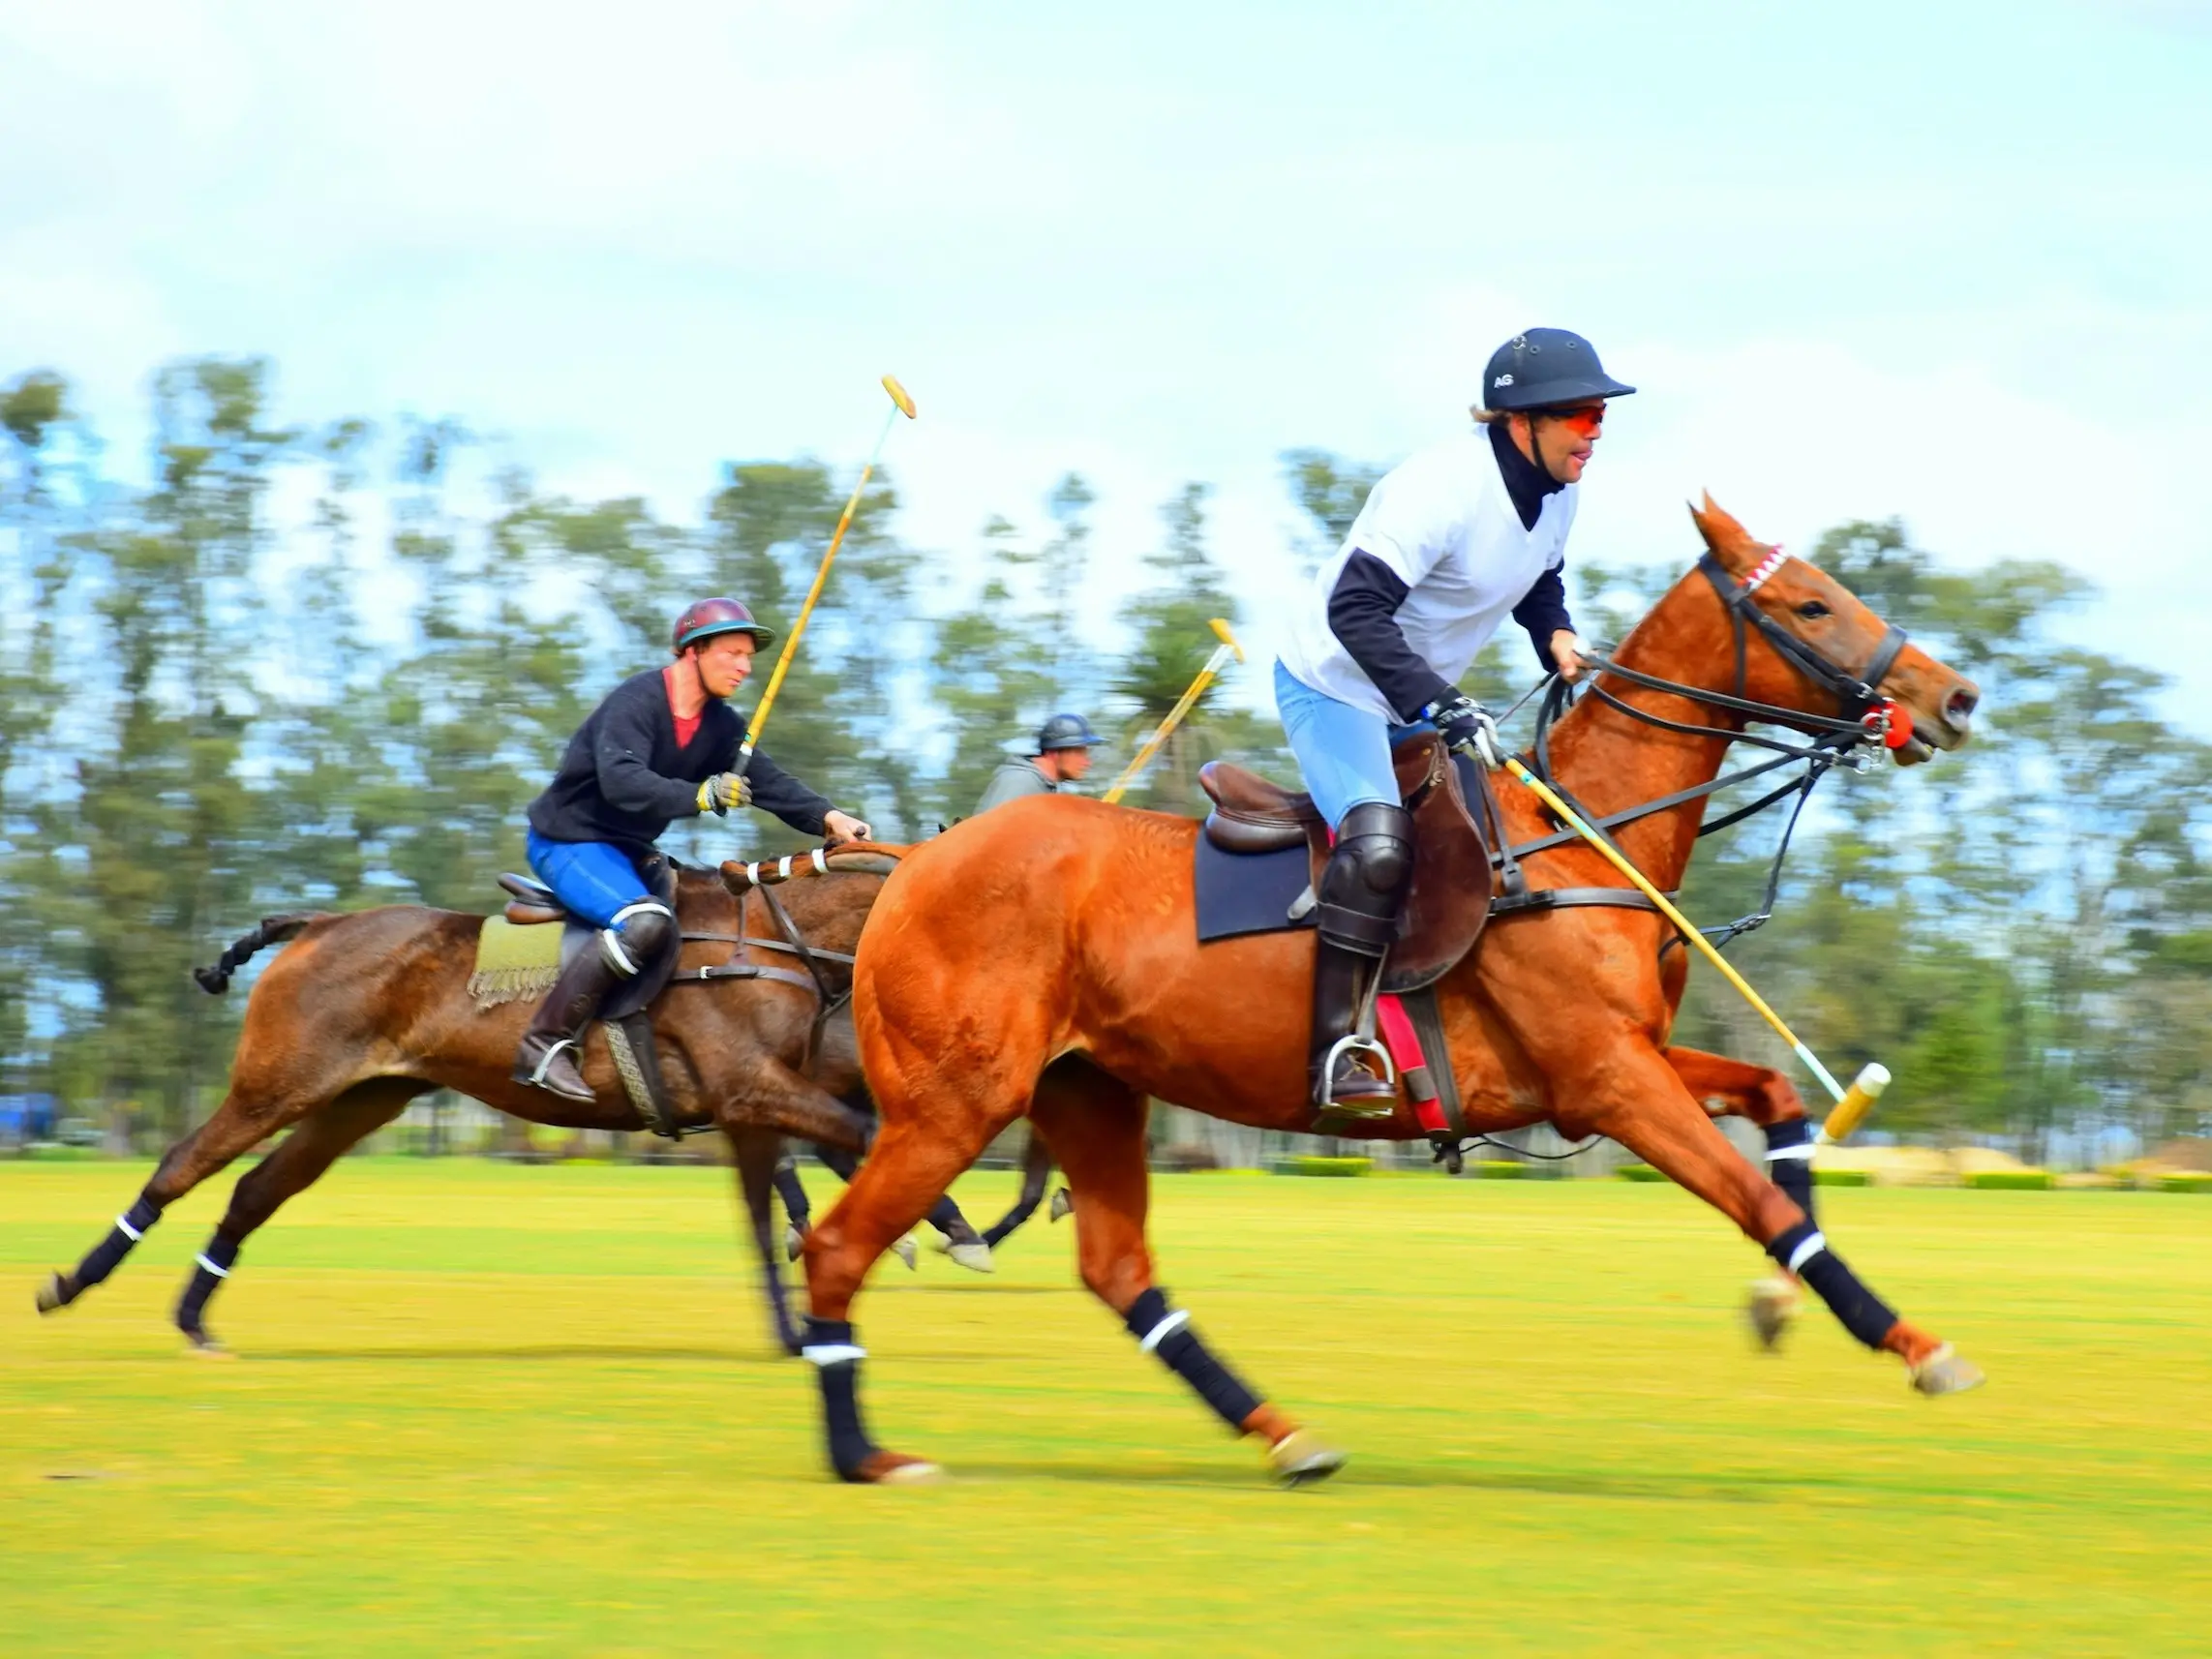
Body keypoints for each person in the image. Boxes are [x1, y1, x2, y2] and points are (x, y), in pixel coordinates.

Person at [1273, 327, 1633, 1113]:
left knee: (1496, 847)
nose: (1594, 431)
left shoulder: (1558, 491)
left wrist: (1556, 633)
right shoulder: (1437, 489)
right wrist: (1439, 702)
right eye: (1578, 414)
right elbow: (1352, 610)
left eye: (1599, 414)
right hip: (1331, 682)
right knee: (1374, 848)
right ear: (1518, 421)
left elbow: (1542, 575)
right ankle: (1336, 1050)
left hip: (1409, 695)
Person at [514, 597, 873, 1102]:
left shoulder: (721, 724)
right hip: (567, 840)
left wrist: (830, 818)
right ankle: (543, 1044)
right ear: (694, 650)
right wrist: (699, 795)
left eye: (749, 656)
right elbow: (621, 781)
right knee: (645, 922)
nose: (745, 667)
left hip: (629, 848)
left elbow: (768, 782)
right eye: (732, 653)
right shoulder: (636, 701)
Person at [972, 712, 1105, 814]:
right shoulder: (1021, 781)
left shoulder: (1043, 785)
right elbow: (992, 838)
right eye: (1080, 753)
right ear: (1054, 753)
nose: (1087, 762)